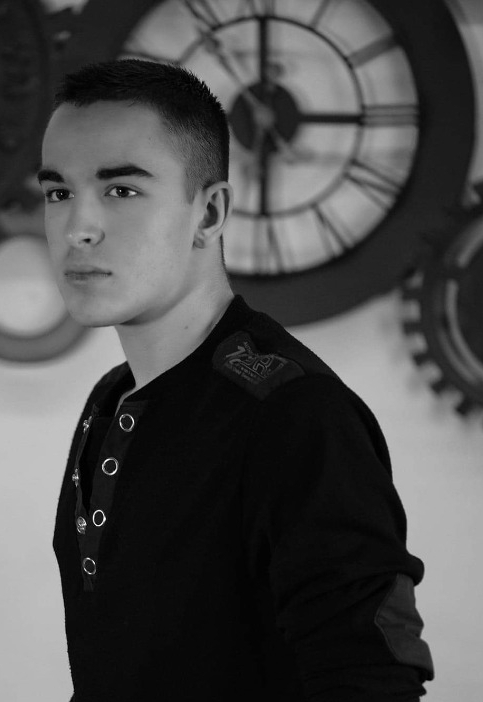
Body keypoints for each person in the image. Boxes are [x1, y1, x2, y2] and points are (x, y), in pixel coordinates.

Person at [38, 58, 434, 702]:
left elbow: (371, 681)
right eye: (58, 193)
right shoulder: (110, 399)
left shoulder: (296, 414)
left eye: (121, 190)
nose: (78, 228)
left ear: (209, 212)